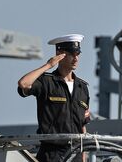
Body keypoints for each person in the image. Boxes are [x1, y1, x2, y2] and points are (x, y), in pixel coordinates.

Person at [17, 34, 90, 162]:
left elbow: (83, 125)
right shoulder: (46, 82)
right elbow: (24, 83)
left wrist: (83, 156)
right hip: (51, 154)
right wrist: (48, 65)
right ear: (60, 54)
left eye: (78, 54)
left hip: (76, 154)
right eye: (72, 54)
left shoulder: (82, 87)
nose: (76, 58)